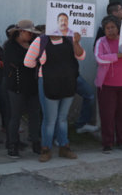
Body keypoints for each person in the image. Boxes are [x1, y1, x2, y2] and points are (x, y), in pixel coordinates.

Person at [24, 26, 85, 162]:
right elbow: (27, 62)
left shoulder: (70, 39)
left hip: (68, 82)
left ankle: (64, 147)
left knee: (63, 118)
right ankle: (46, 149)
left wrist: (76, 42)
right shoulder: (40, 41)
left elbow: (81, 56)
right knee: (50, 119)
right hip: (48, 83)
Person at [94, 15, 122, 153]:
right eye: (107, 28)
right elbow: (99, 58)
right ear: (104, 30)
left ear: (118, 28)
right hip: (107, 85)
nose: (110, 30)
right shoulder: (101, 42)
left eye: (113, 27)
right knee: (107, 114)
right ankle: (107, 143)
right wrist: (117, 56)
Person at [4, 20, 41, 158]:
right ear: (20, 32)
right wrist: (33, 60)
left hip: (33, 84)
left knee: (34, 115)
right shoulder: (10, 46)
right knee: (15, 116)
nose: (31, 35)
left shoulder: (33, 44)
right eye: (29, 32)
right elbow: (19, 62)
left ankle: (36, 142)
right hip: (16, 86)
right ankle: (12, 144)